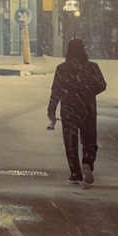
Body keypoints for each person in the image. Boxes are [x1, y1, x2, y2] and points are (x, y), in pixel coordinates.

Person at [47, 38, 108, 185]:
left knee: (70, 142)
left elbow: (56, 90)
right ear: (83, 50)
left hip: (69, 109)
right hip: (88, 108)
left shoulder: (62, 69)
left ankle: (75, 174)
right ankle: (87, 161)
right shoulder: (92, 67)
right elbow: (102, 85)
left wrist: (52, 109)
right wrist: (88, 92)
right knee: (89, 139)